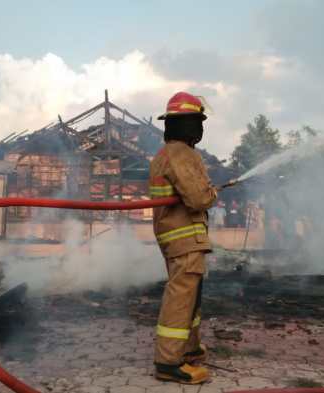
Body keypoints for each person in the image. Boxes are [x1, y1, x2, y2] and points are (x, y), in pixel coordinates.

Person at [149, 92, 217, 384]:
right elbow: (199, 198)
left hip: (180, 238)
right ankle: (168, 363)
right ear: (186, 124)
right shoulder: (179, 153)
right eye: (198, 122)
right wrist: (212, 192)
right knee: (181, 299)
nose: (200, 128)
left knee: (191, 298)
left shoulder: (167, 153)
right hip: (184, 238)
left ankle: (189, 350)